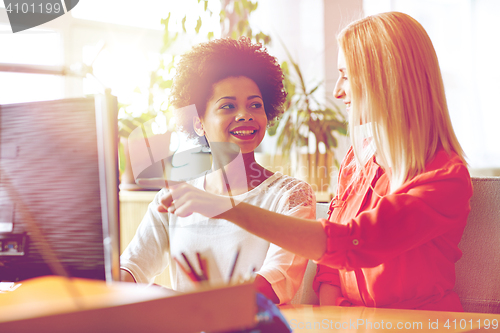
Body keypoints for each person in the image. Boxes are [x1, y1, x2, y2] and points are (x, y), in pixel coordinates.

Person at [155, 12, 473, 312]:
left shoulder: (446, 179)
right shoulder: (357, 162)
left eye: (346, 76)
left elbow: (353, 242)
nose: (337, 91)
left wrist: (226, 207)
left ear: (385, 80)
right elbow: (331, 273)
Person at [120, 36, 315, 304]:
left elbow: (273, 284)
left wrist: (176, 302)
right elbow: (131, 269)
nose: (245, 115)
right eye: (228, 106)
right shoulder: (174, 199)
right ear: (198, 123)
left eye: (255, 105)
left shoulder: (291, 197)